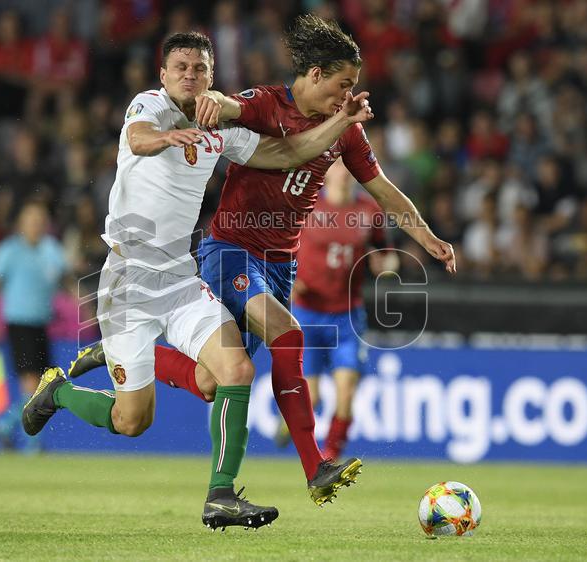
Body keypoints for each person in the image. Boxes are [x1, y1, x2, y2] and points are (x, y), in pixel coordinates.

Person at [70, 15, 454, 507]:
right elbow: (231, 106)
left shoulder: (346, 132)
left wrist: (427, 235)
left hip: (279, 265)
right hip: (230, 252)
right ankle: (314, 467)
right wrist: (214, 104)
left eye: (353, 86)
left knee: (215, 381)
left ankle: (121, 353)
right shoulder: (265, 103)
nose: (349, 95)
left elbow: (381, 190)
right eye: (344, 84)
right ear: (316, 75)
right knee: (288, 334)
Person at [21, 31, 373, 530]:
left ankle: (221, 496)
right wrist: (169, 137)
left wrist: (341, 119)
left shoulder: (221, 130)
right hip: (127, 284)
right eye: (181, 67)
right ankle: (56, 391)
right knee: (132, 421)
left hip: (180, 279)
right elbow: (140, 139)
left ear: (211, 76)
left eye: (200, 69)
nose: (190, 75)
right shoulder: (149, 107)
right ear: (164, 75)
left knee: (234, 371)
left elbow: (289, 153)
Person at [275, 158, 398, 461]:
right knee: (312, 397)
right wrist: (287, 280)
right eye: (339, 166)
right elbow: (279, 246)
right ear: (327, 171)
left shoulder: (369, 212)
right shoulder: (305, 205)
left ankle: (330, 456)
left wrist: (385, 266)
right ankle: (290, 418)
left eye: (348, 167)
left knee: (347, 391)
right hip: (307, 314)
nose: (344, 173)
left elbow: (388, 256)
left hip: (347, 316)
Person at [0, 201, 69, 453]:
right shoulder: (9, 251)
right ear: (21, 223)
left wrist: (83, 306)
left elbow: (67, 279)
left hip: (42, 325)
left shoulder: (51, 249)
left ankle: (5, 425)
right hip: (19, 324)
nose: (36, 225)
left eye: (40, 220)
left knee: (46, 385)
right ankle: (32, 444)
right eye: (31, 220)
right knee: (31, 385)